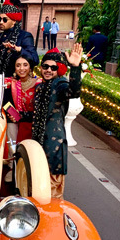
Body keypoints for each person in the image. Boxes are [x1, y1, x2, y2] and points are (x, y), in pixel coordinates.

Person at [32, 44, 83, 199]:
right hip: (38, 141)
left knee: (53, 187)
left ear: (59, 69)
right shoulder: (41, 86)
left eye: (53, 68)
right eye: (45, 66)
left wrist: (75, 67)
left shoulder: (60, 84)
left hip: (53, 145)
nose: (48, 70)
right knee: (38, 183)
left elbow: (74, 91)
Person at [0, 0, 38, 77]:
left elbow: (35, 60)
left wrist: (18, 49)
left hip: (19, 85)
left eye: (5, 20)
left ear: (14, 21)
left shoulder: (24, 36)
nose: (1, 22)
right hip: (1, 83)